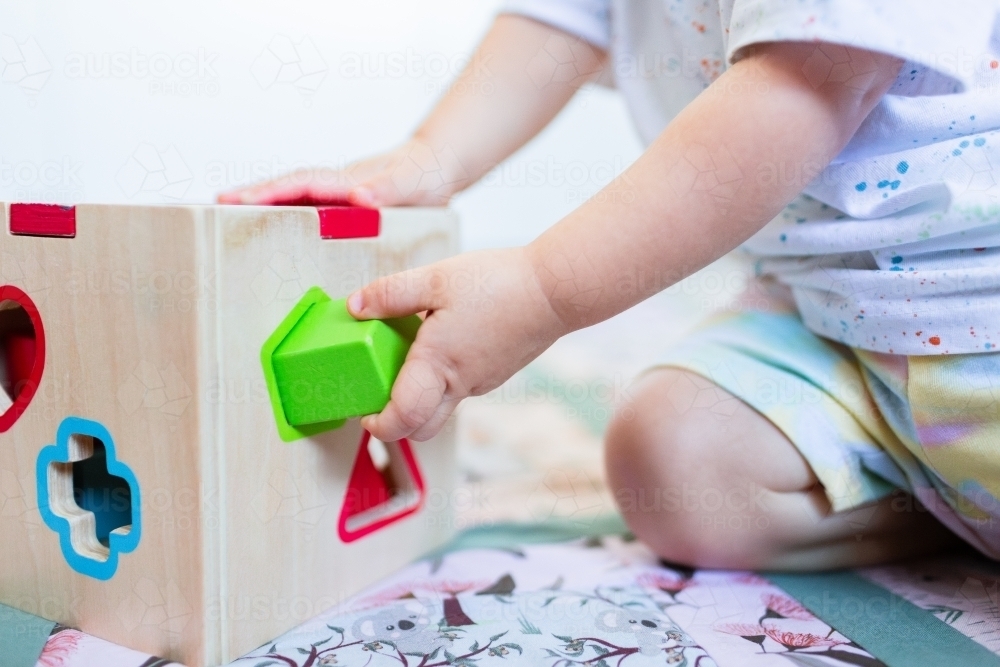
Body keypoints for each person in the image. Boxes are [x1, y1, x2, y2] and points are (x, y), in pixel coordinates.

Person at [221, 1, 1000, 570]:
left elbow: (798, 90)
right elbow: (563, 19)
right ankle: (938, 509)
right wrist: (423, 162)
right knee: (673, 458)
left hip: (977, 312)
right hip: (824, 313)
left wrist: (542, 290)